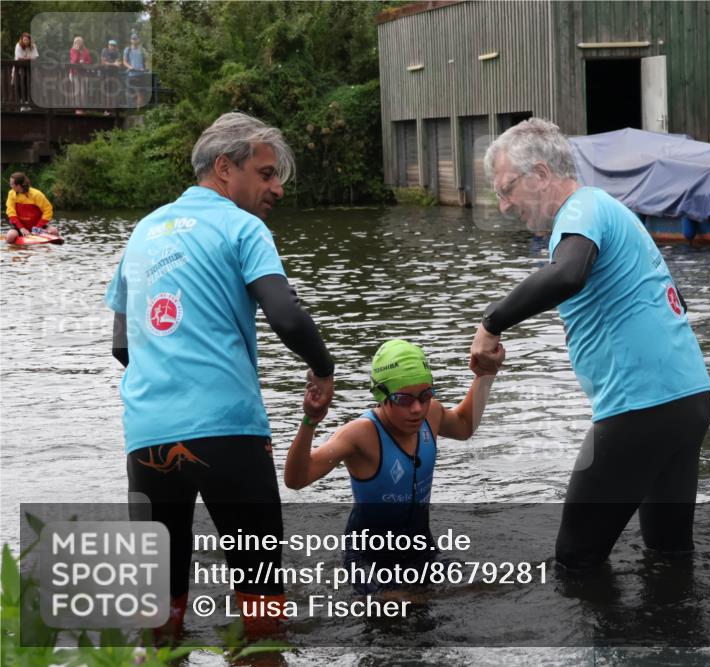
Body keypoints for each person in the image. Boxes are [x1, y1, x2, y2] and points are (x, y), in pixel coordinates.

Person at [104, 112, 335, 640]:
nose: (277, 188)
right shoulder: (242, 226)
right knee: (261, 604)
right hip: (228, 433)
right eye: (267, 173)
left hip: (147, 440)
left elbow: (122, 345)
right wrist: (323, 368)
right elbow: (285, 313)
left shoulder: (143, 231)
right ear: (225, 167)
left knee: (160, 610)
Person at [470, 118, 710, 571]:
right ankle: (678, 639)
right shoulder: (607, 210)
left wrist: (492, 322)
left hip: (639, 408)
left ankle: (605, 644)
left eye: (507, 189)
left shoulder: (581, 209)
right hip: (687, 401)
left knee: (575, 559)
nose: (505, 206)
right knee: (668, 554)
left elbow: (568, 273)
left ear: (541, 175)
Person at [284, 339, 501, 594]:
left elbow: (464, 426)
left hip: (421, 550)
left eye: (425, 395)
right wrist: (310, 420)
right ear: (381, 394)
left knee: (485, 587)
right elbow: (296, 479)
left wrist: (485, 374)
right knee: (402, 607)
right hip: (369, 561)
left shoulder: (431, 413)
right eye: (403, 399)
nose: (417, 409)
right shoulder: (360, 435)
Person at [5, 172, 58, 245]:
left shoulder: (36, 194)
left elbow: (48, 211)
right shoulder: (11, 194)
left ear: (18, 186)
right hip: (21, 229)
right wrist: (21, 228)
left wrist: (37, 228)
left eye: (11, 184)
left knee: (54, 231)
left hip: (37, 228)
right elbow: (11, 213)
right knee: (10, 236)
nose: (10, 185)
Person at [12, 32, 38, 110]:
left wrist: (29, 59)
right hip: (19, 69)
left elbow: (35, 57)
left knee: (28, 84)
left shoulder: (33, 46)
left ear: (30, 40)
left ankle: (27, 103)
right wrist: (29, 59)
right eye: (24, 40)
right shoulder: (18, 45)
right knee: (20, 84)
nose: (26, 41)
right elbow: (19, 57)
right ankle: (22, 103)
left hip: (29, 68)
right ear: (22, 40)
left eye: (27, 40)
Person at [123, 32, 149, 108]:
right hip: (131, 75)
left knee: (141, 94)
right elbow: (124, 61)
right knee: (131, 94)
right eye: (133, 39)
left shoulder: (142, 49)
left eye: (135, 38)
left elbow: (146, 60)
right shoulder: (127, 49)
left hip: (141, 74)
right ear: (131, 40)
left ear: (138, 40)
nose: (134, 40)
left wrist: (146, 68)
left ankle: (138, 111)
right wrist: (130, 67)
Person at [69, 36, 93, 113]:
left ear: (82, 43)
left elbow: (90, 61)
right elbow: (73, 61)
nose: (78, 44)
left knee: (83, 92)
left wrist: (84, 63)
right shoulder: (72, 50)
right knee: (77, 91)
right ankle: (77, 109)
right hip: (74, 73)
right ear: (74, 43)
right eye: (76, 42)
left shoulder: (86, 51)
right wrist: (77, 51)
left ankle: (82, 108)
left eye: (80, 42)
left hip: (84, 73)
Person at [99, 39, 122, 112]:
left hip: (114, 74)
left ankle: (113, 110)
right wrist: (113, 64)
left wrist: (115, 64)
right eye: (111, 45)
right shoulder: (104, 51)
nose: (112, 47)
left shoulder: (117, 52)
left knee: (114, 91)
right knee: (105, 92)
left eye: (114, 46)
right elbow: (103, 62)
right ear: (108, 45)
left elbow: (118, 63)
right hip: (105, 74)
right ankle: (106, 110)